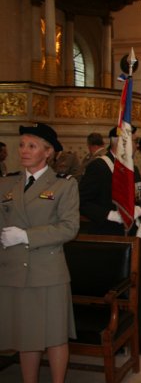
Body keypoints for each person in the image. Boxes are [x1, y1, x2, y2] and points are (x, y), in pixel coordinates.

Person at [0, 122, 79, 383]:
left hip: (47, 271)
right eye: (22, 144)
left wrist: (25, 236)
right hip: (13, 271)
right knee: (27, 336)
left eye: (31, 146)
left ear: (47, 152)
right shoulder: (7, 183)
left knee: (55, 335)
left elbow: (69, 228)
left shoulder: (63, 185)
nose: (23, 150)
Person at [79, 126, 141, 356]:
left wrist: (140, 209)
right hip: (108, 237)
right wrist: (108, 214)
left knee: (135, 289)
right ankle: (116, 338)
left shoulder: (133, 168)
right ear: (116, 143)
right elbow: (82, 200)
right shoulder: (99, 167)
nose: (134, 146)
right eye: (130, 141)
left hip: (132, 237)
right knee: (112, 290)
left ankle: (139, 338)